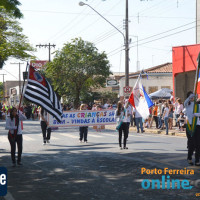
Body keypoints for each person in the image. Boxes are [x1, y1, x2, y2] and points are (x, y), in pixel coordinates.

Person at [184, 91, 200, 166]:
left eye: (193, 96)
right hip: (190, 126)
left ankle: (197, 160)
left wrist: (196, 114)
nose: (192, 98)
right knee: (191, 144)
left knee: (198, 144)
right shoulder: (187, 104)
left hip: (197, 125)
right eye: (190, 97)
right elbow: (185, 102)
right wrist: (190, 96)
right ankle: (189, 157)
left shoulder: (197, 105)